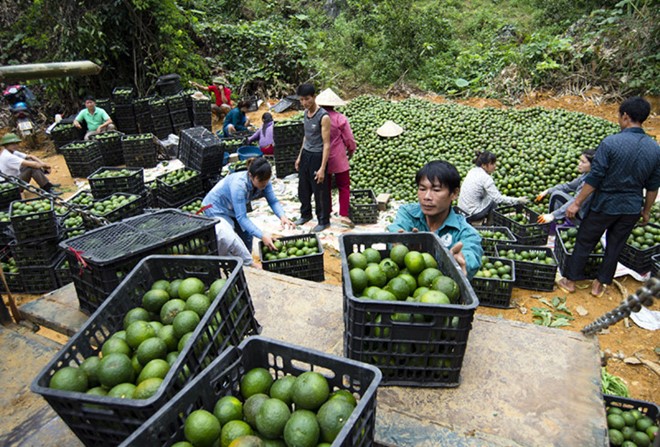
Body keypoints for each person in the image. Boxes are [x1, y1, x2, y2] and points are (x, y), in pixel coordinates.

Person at [556, 96, 660, 298]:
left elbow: (595, 177)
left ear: (626, 116)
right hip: (631, 208)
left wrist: (576, 203)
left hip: (605, 204)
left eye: (619, 117)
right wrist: (646, 211)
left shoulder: (611, 143)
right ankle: (599, 285)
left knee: (585, 240)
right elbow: (653, 186)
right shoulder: (655, 149)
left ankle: (570, 281)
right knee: (615, 246)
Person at [387, 160, 483, 279]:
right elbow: (396, 229)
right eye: (422, 189)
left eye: (436, 190)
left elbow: (471, 253)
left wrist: (459, 261)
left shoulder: (466, 232)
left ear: (454, 193)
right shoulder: (408, 213)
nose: (427, 197)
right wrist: (400, 241)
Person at [202, 157, 294, 254]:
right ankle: (236, 262)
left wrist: (282, 216)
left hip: (231, 208)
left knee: (247, 235)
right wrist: (262, 235)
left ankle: (247, 260)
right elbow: (241, 217)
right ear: (250, 175)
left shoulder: (265, 181)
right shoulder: (239, 186)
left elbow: (273, 201)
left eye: (266, 181)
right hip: (215, 207)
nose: (264, 184)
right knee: (230, 238)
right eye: (261, 181)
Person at [315, 88, 357, 228]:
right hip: (338, 156)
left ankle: (327, 210)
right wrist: (351, 150)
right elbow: (349, 139)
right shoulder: (340, 118)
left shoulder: (316, 117)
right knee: (344, 186)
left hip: (321, 157)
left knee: (325, 186)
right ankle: (343, 214)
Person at [294, 83, 332, 232]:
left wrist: (322, 168)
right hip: (306, 155)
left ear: (314, 97)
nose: (304, 103)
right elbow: (306, 137)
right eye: (301, 100)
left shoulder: (323, 117)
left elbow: (327, 144)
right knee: (303, 187)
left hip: (318, 156)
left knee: (320, 190)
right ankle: (306, 214)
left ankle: (324, 220)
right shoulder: (305, 113)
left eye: (307, 99)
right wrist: (299, 157)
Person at [457, 151, 528, 223]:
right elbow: (498, 199)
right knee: (493, 199)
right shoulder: (486, 178)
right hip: (472, 214)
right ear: (484, 165)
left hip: (461, 211)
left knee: (490, 195)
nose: (495, 166)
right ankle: (490, 226)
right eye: (492, 164)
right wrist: (518, 200)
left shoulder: (472, 171)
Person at [535, 149, 596, 225]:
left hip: (585, 217)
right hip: (580, 210)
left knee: (556, 195)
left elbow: (577, 201)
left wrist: (552, 215)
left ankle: (551, 229)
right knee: (556, 193)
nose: (579, 164)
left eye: (583, 162)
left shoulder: (591, 182)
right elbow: (568, 186)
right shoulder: (586, 175)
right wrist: (547, 191)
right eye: (580, 160)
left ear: (593, 165)